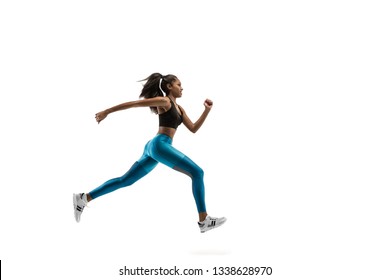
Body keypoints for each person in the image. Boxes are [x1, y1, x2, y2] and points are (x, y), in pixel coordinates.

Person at [73, 73, 226, 233]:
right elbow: (135, 104)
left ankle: (84, 198)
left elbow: (193, 128)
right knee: (197, 172)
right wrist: (107, 111)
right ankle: (204, 220)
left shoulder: (180, 108)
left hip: (155, 147)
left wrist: (206, 111)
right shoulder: (164, 101)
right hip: (160, 145)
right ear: (169, 87)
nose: (182, 88)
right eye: (179, 84)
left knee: (125, 180)